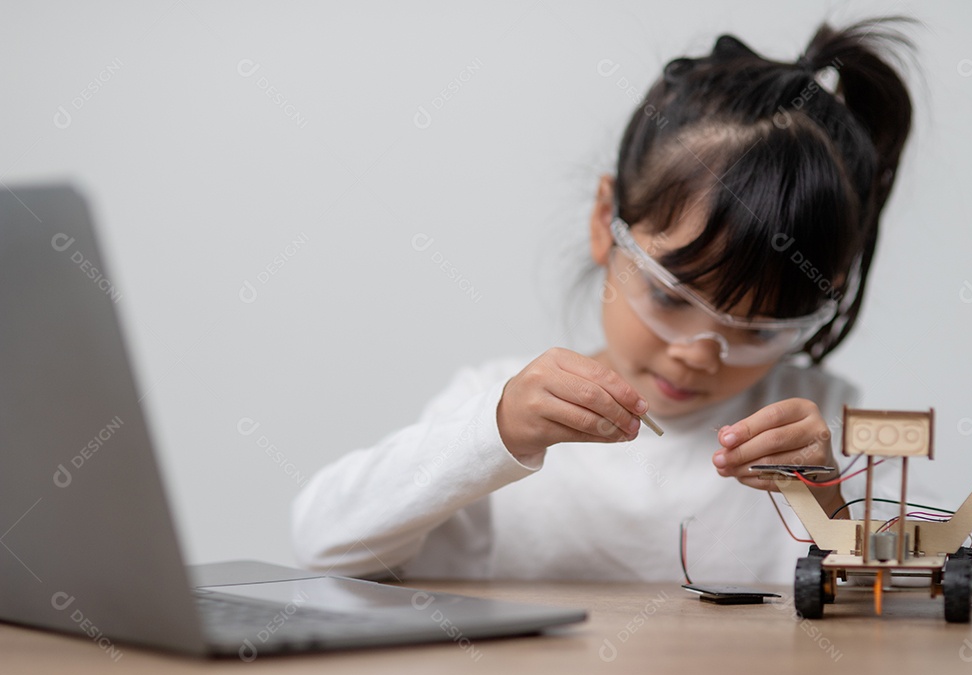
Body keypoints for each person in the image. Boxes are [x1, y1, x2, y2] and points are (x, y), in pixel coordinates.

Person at [293, 17, 935, 584]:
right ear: (607, 220)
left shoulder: (827, 428)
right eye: (669, 296)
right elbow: (322, 545)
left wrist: (829, 505)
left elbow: (946, 597)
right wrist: (491, 434)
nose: (696, 355)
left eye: (758, 331)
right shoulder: (495, 411)